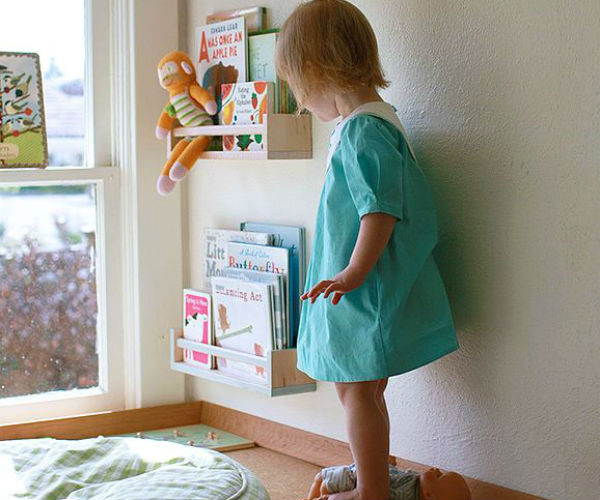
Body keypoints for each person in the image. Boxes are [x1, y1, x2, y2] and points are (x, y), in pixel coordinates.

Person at [276, 1, 460, 499]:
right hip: (362, 286)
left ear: (316, 70)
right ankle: (374, 473)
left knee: (356, 390)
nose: (302, 104)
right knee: (362, 389)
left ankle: (372, 490)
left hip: (363, 290)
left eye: (298, 90)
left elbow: (378, 210)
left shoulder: (364, 130)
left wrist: (354, 271)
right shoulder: (375, 123)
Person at [302, 463, 472, 500]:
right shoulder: (412, 489)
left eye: (439, 478)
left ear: (430, 495)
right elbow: (395, 476)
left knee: (321, 480)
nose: (437, 471)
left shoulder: (409, 491)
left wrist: (431, 474)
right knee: (323, 484)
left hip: (355, 481)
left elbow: (387, 481)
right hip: (363, 479)